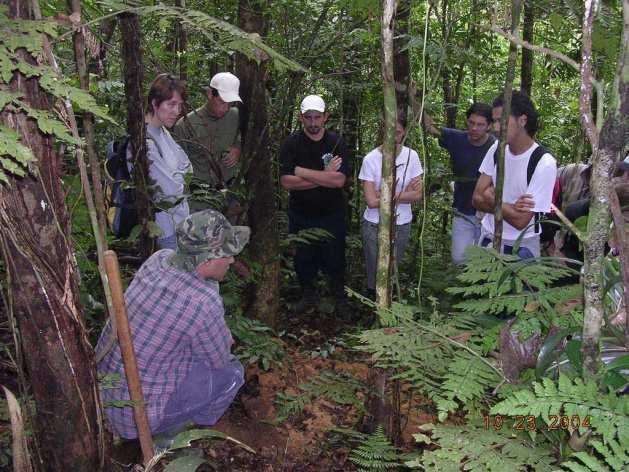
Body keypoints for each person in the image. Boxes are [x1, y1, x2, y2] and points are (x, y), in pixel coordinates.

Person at [96, 209, 250, 440]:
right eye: (226, 254)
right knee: (232, 372)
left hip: (103, 395)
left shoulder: (159, 259)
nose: (232, 260)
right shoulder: (203, 303)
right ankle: (177, 435)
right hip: (138, 418)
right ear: (207, 259)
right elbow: (218, 361)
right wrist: (223, 340)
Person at [279, 95, 350, 311]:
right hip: (301, 213)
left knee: (335, 258)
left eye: (317, 117)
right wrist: (323, 176)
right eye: (308, 117)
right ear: (301, 118)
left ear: (325, 117)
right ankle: (308, 296)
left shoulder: (336, 142)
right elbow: (286, 182)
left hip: (332, 213)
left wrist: (301, 172)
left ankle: (338, 299)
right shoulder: (291, 144)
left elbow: (339, 180)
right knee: (303, 258)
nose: (313, 122)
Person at [472, 90, 557, 258]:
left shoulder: (543, 162)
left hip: (522, 247)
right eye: (494, 121)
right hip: (488, 237)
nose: (496, 128)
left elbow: (521, 222)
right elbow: (476, 199)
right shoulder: (497, 149)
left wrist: (492, 196)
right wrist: (511, 208)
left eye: (501, 121)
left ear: (522, 120)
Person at [423, 103, 495, 265]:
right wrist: (414, 98)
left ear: (489, 126)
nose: (474, 128)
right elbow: (430, 127)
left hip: (488, 215)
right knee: (459, 258)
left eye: (480, 124)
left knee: (485, 263)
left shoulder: (496, 147)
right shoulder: (457, 139)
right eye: (471, 123)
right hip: (462, 211)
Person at [359, 120, 422, 298]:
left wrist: (384, 194)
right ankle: (374, 308)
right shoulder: (371, 159)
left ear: (404, 133)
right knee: (375, 271)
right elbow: (371, 201)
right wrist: (404, 193)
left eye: (398, 132)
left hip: (402, 223)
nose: (393, 137)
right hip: (374, 224)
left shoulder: (412, 156)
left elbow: (417, 195)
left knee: (393, 270)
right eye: (390, 131)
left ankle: (390, 311)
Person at [173, 72, 243, 210]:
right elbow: (178, 170)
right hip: (199, 199)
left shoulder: (236, 116)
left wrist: (238, 149)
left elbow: (247, 140)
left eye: (230, 103)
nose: (226, 108)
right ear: (210, 94)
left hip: (230, 196)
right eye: (222, 102)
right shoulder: (185, 125)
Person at [143, 73, 193, 250]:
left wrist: (176, 179)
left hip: (179, 224)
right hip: (164, 230)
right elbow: (169, 192)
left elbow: (188, 168)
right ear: (155, 103)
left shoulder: (163, 132)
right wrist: (178, 181)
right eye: (171, 104)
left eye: (179, 105)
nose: (176, 111)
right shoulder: (145, 141)